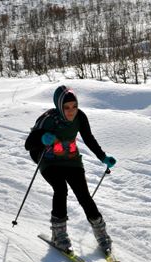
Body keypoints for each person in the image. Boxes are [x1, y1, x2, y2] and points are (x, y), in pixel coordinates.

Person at [25, 85, 117, 253]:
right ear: (59, 106)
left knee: (84, 195)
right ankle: (59, 235)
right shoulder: (48, 119)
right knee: (60, 189)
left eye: (74, 106)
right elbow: (28, 144)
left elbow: (88, 138)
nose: (71, 111)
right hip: (48, 160)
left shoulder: (80, 117)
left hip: (70, 159)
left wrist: (103, 157)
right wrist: (42, 138)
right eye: (67, 107)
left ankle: (102, 234)